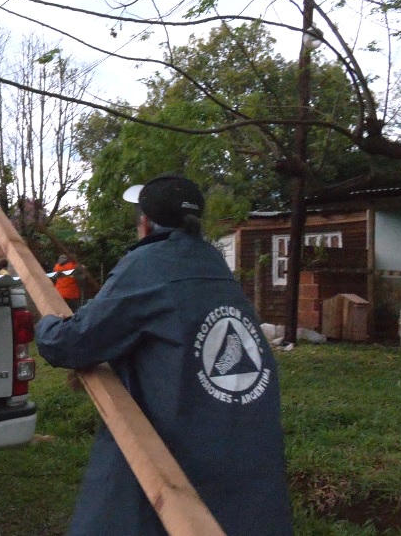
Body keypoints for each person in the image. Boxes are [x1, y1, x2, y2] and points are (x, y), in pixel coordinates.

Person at [34, 174, 292, 536]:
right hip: (242, 449)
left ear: (145, 223)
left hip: (180, 450)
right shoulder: (214, 264)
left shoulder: (149, 265)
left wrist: (46, 325)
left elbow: (72, 342)